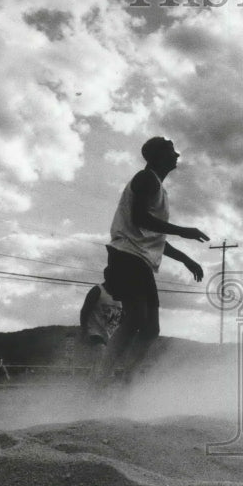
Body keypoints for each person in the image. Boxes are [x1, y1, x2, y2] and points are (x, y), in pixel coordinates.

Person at [103, 136, 208, 382]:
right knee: (137, 318)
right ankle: (101, 375)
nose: (177, 156)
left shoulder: (158, 187)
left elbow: (154, 236)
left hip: (138, 259)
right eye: (171, 151)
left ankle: (127, 378)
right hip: (126, 256)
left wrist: (185, 259)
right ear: (157, 156)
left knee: (151, 330)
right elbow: (141, 219)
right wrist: (183, 230)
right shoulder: (145, 178)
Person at [79, 267, 123, 381]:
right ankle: (96, 387)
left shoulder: (121, 296)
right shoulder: (97, 290)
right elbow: (84, 311)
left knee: (107, 365)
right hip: (95, 332)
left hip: (111, 335)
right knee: (101, 354)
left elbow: (123, 317)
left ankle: (95, 387)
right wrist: (84, 331)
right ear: (106, 276)